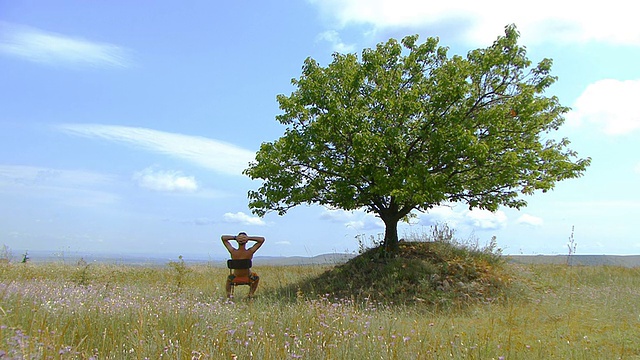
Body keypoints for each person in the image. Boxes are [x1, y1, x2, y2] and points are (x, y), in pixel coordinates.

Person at [221, 232, 265, 298]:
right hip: (248, 278)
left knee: (229, 278)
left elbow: (223, 238)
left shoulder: (233, 252)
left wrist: (235, 238)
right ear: (246, 242)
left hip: (235, 278)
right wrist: (248, 238)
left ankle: (229, 294)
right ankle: (251, 294)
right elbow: (262, 240)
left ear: (237, 242)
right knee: (256, 278)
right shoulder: (250, 252)